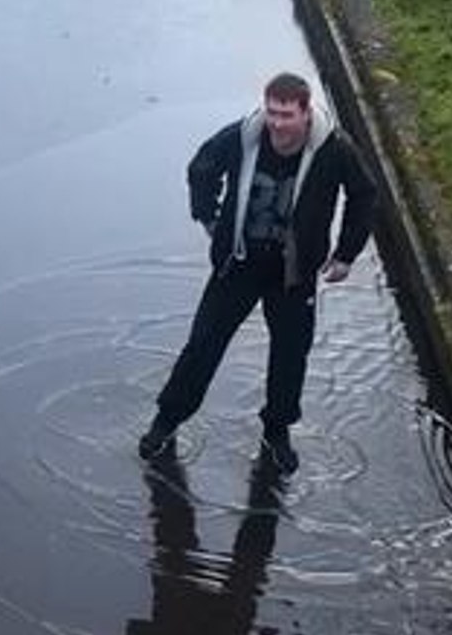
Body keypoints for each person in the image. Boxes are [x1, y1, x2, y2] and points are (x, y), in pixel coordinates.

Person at [139, 72, 376, 471]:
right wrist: (209, 217)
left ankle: (277, 430)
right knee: (203, 344)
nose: (277, 125)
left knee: (290, 354)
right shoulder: (243, 137)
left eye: (286, 115)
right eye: (272, 113)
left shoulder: (334, 150)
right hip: (240, 262)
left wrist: (346, 254)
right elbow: (202, 168)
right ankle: (167, 421)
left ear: (306, 113)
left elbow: (364, 195)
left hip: (293, 272)